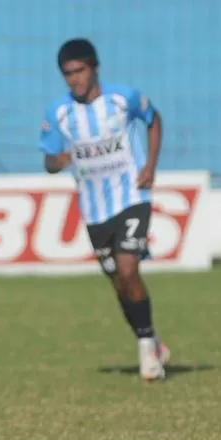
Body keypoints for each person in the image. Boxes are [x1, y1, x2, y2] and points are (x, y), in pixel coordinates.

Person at [41, 38, 170, 380]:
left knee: (129, 270)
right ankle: (153, 339)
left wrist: (151, 166)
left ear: (94, 68)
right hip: (94, 210)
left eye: (79, 71)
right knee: (118, 283)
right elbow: (50, 161)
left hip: (132, 197)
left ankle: (146, 351)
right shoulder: (59, 113)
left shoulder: (122, 98)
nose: (74, 80)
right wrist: (60, 160)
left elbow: (153, 119)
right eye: (68, 74)